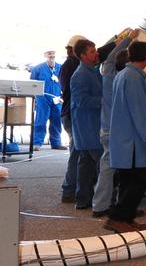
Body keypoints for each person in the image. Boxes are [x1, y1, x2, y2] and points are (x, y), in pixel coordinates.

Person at [106, 41, 146, 231]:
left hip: (123, 137)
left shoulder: (122, 75)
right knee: (141, 179)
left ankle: (125, 219)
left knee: (127, 180)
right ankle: (118, 217)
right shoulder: (134, 78)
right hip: (133, 140)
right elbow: (140, 110)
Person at [92, 30, 137, 217]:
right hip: (119, 132)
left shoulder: (108, 75)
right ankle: (114, 206)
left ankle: (100, 204)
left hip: (106, 129)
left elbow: (109, 59)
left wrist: (128, 39)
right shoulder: (127, 81)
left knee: (107, 168)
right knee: (124, 169)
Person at [68, 39, 103, 210]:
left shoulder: (92, 71)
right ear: (83, 56)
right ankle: (103, 202)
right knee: (102, 165)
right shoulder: (81, 75)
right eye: (92, 52)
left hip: (89, 127)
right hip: (89, 127)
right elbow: (82, 101)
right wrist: (105, 101)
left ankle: (83, 199)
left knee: (86, 165)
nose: (96, 54)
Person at [58, 34, 87, 202]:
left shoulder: (69, 65)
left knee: (79, 152)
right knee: (77, 153)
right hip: (72, 115)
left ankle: (75, 189)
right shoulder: (73, 67)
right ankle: (69, 190)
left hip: (69, 114)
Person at [29, 50, 64, 149]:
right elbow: (32, 84)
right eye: (49, 53)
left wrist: (63, 96)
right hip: (42, 98)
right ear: (44, 55)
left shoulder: (61, 68)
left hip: (57, 98)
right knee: (41, 120)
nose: (51, 55)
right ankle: (37, 143)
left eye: (53, 53)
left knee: (57, 120)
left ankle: (56, 143)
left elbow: (65, 82)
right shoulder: (37, 69)